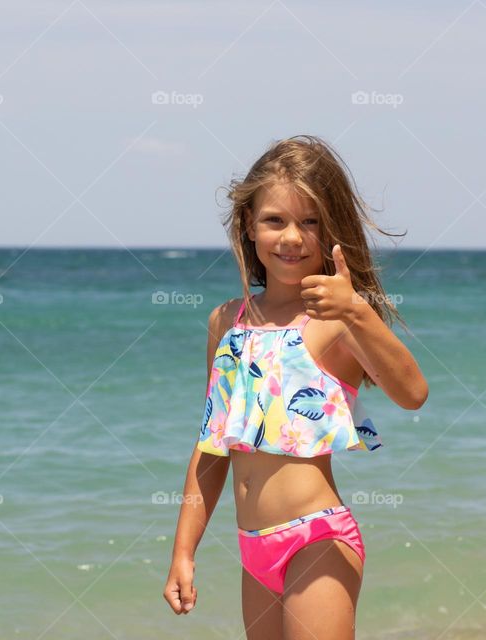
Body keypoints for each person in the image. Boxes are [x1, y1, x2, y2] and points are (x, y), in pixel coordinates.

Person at [163, 135, 428, 640]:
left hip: (317, 537)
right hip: (251, 547)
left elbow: (413, 392)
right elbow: (212, 444)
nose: (291, 237)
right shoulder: (227, 321)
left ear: (331, 228)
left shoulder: (333, 319)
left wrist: (355, 310)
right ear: (248, 225)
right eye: (275, 220)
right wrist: (183, 551)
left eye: (310, 222)